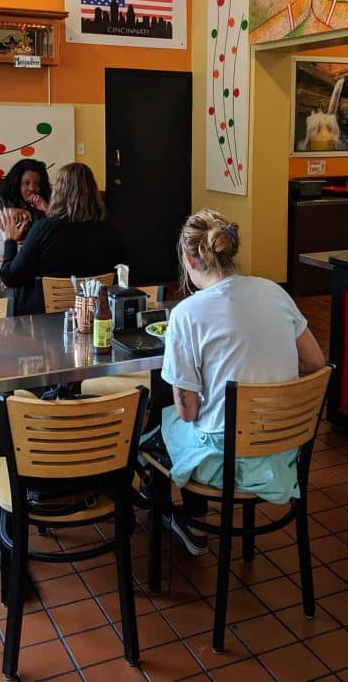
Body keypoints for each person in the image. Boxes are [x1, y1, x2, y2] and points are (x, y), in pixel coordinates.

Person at [154, 208, 325, 557]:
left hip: (224, 461)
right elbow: (315, 362)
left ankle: (184, 519)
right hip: (282, 453)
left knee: (156, 428)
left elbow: (188, 412)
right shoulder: (274, 292)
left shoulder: (186, 314)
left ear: (188, 259)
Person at [0, 162, 125, 314]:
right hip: (94, 316)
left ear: (59, 192)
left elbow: (10, 278)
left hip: (41, 323)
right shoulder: (110, 231)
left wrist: (10, 241)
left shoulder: (43, 229)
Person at [0, 158, 51, 254]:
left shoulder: (46, 202)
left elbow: (59, 239)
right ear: (16, 183)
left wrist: (47, 209)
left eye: (37, 184)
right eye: (26, 183)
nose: (32, 188)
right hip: (5, 261)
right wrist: (2, 220)